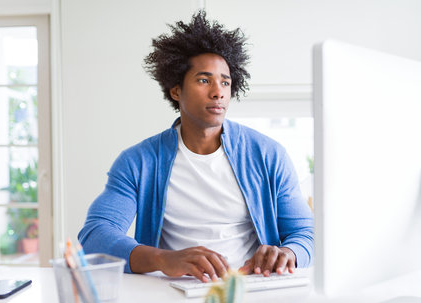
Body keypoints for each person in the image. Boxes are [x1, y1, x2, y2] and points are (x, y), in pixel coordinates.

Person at [78, 11, 313, 283]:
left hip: (251, 287)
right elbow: (95, 235)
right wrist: (163, 259)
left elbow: (304, 233)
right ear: (176, 91)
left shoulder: (268, 154)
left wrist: (288, 253)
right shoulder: (138, 162)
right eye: (204, 80)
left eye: (225, 81)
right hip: (173, 292)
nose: (218, 92)